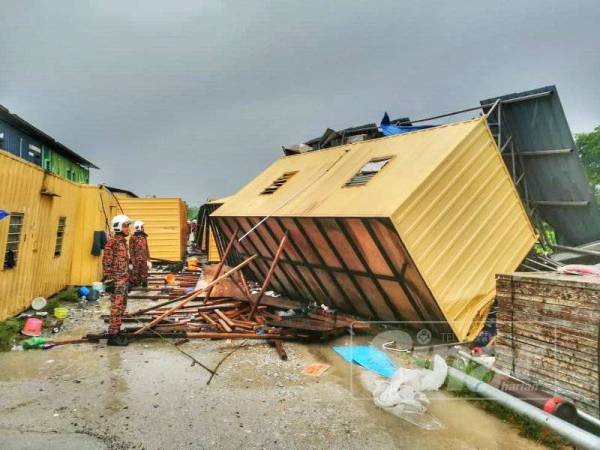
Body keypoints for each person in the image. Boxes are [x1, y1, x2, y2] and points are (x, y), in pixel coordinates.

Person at [102, 214, 131, 346]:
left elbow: (124, 262)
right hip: (116, 281)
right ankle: (112, 336)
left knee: (122, 307)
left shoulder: (123, 243)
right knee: (116, 308)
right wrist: (109, 282)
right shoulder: (112, 243)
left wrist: (129, 278)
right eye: (125, 226)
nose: (128, 229)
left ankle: (117, 330)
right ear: (118, 227)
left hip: (123, 280)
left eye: (128, 226)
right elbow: (106, 262)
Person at [129, 220, 151, 288]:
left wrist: (148, 258)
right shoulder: (133, 238)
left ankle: (144, 282)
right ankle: (136, 282)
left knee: (144, 270)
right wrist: (132, 259)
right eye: (142, 227)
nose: (143, 228)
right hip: (136, 258)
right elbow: (131, 249)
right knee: (136, 271)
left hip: (144, 257)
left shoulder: (144, 237)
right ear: (139, 227)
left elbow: (146, 247)